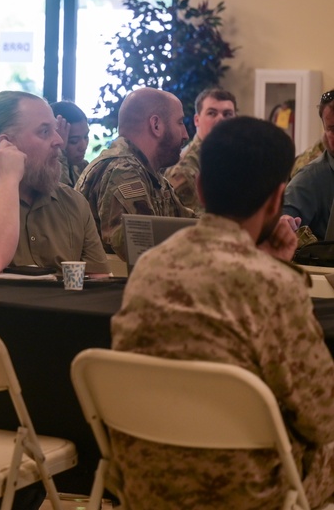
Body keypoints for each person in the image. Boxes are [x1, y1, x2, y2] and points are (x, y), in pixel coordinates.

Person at [111, 116, 334, 509]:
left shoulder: (150, 266)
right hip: (247, 493)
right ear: (276, 198)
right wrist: (275, 268)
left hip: (148, 485)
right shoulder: (273, 285)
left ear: (199, 186)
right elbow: (321, 416)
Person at [0, 91, 108, 275]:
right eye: (44, 131)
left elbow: (99, 285)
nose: (58, 141)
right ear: (7, 144)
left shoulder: (74, 204)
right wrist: (9, 179)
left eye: (56, 130)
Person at [75, 87, 195, 260]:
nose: (185, 134)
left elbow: (188, 225)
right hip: (114, 285)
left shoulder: (151, 175)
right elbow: (141, 248)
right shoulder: (123, 171)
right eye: (180, 122)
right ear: (156, 125)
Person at [164, 87, 237, 213]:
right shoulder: (185, 169)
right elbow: (195, 223)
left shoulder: (230, 158)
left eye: (227, 114)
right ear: (197, 120)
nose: (220, 119)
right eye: (212, 113)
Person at [284, 89, 334, 240]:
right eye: (332, 129)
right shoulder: (310, 178)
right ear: (325, 129)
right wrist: (284, 222)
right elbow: (283, 222)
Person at [50, 101, 90, 188]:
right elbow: (60, 196)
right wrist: (59, 152)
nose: (83, 147)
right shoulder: (42, 173)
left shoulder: (84, 167)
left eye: (86, 137)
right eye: (74, 141)